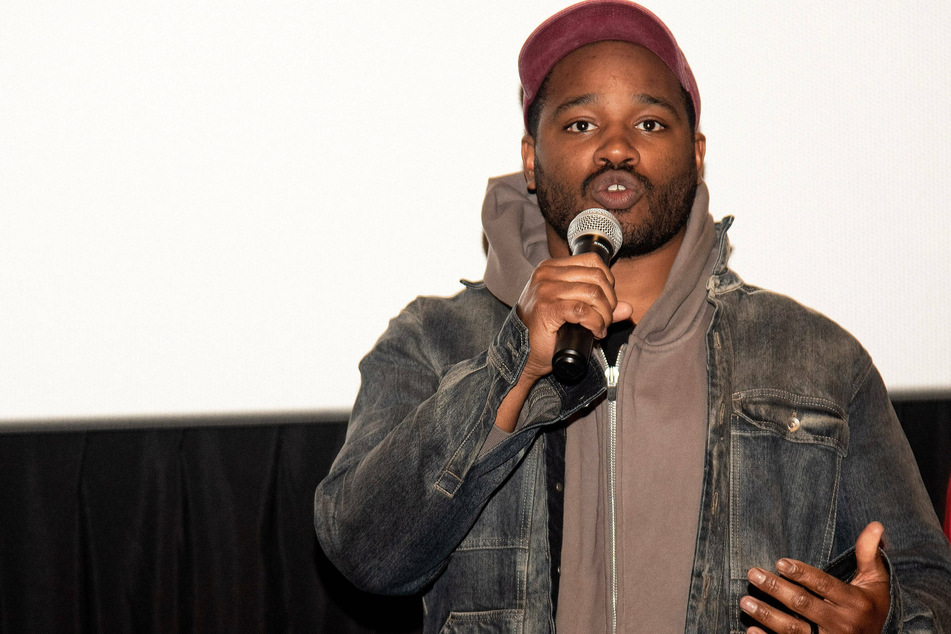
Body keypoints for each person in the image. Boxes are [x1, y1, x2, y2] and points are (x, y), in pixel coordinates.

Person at [314, 1, 951, 631]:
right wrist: (511, 367)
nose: (616, 148)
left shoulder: (817, 359)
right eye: (581, 125)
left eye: (649, 124)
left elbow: (929, 586)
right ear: (531, 160)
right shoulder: (432, 342)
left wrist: (884, 620)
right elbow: (366, 555)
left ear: (697, 153)